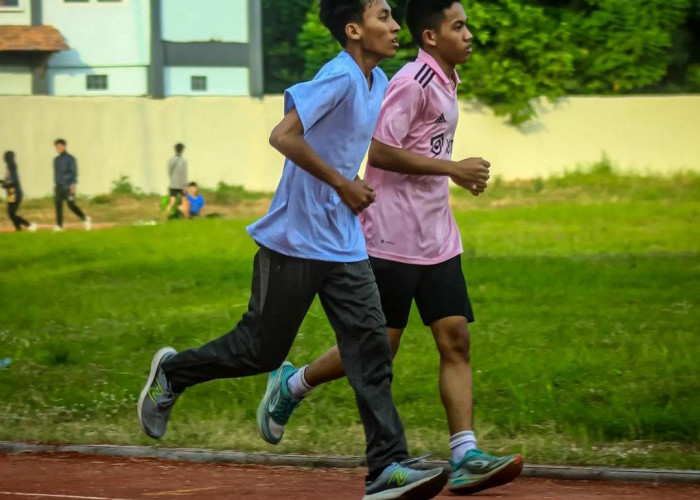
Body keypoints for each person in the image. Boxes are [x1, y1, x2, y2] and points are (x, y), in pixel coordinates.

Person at [137, 2, 448, 499]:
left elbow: (363, 145)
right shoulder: (341, 76)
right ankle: (174, 372)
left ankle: (386, 468)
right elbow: (283, 135)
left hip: (343, 242)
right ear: (353, 30)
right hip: (295, 241)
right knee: (260, 350)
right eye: (384, 17)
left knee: (370, 349)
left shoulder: (377, 81)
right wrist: (343, 184)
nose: (394, 27)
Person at [256, 0, 523, 495]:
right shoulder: (410, 82)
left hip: (437, 236)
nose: (469, 35)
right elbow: (376, 150)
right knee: (380, 348)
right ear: (431, 36)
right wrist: (452, 169)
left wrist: (448, 178)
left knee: (455, 338)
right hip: (391, 238)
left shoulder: (445, 81)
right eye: (458, 26)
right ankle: (291, 384)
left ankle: (464, 453)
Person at [53, 139, 91, 231]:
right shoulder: (56, 160)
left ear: (64, 146)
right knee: (58, 206)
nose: (58, 149)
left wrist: (73, 185)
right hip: (58, 187)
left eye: (59, 146)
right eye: (56, 147)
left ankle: (85, 218)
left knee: (71, 205)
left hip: (68, 186)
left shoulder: (71, 159)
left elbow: (74, 173)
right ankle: (59, 226)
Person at [2, 151, 36, 232]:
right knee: (11, 214)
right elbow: (6, 182)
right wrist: (4, 183)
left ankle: (29, 225)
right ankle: (18, 229)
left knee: (12, 214)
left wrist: (5, 183)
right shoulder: (9, 167)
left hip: (15, 192)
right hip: (11, 192)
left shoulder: (12, 167)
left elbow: (12, 181)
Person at [166, 143, 188, 218]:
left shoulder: (170, 160)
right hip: (181, 186)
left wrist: (172, 180)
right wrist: (185, 186)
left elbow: (169, 172)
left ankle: (166, 216)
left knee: (171, 202)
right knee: (184, 202)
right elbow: (184, 174)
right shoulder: (183, 161)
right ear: (182, 150)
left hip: (172, 184)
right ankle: (185, 218)